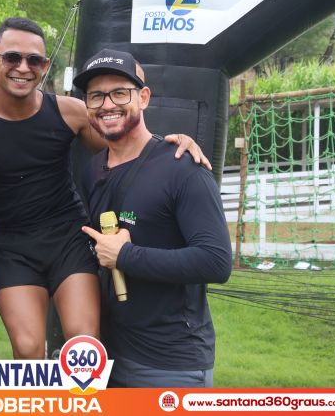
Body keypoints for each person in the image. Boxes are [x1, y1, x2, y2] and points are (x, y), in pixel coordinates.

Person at [0, 17, 212, 359]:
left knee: (83, 343)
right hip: (12, 247)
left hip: (68, 239)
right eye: (12, 57)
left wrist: (171, 144)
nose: (23, 67)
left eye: (34, 60)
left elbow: (127, 144)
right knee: (28, 347)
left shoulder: (69, 112)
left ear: (45, 66)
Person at [75, 49, 232, 388]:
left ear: (143, 98)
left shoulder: (182, 167)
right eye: (96, 96)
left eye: (120, 93)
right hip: (106, 356)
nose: (107, 105)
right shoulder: (92, 170)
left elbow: (216, 262)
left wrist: (126, 256)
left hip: (168, 363)